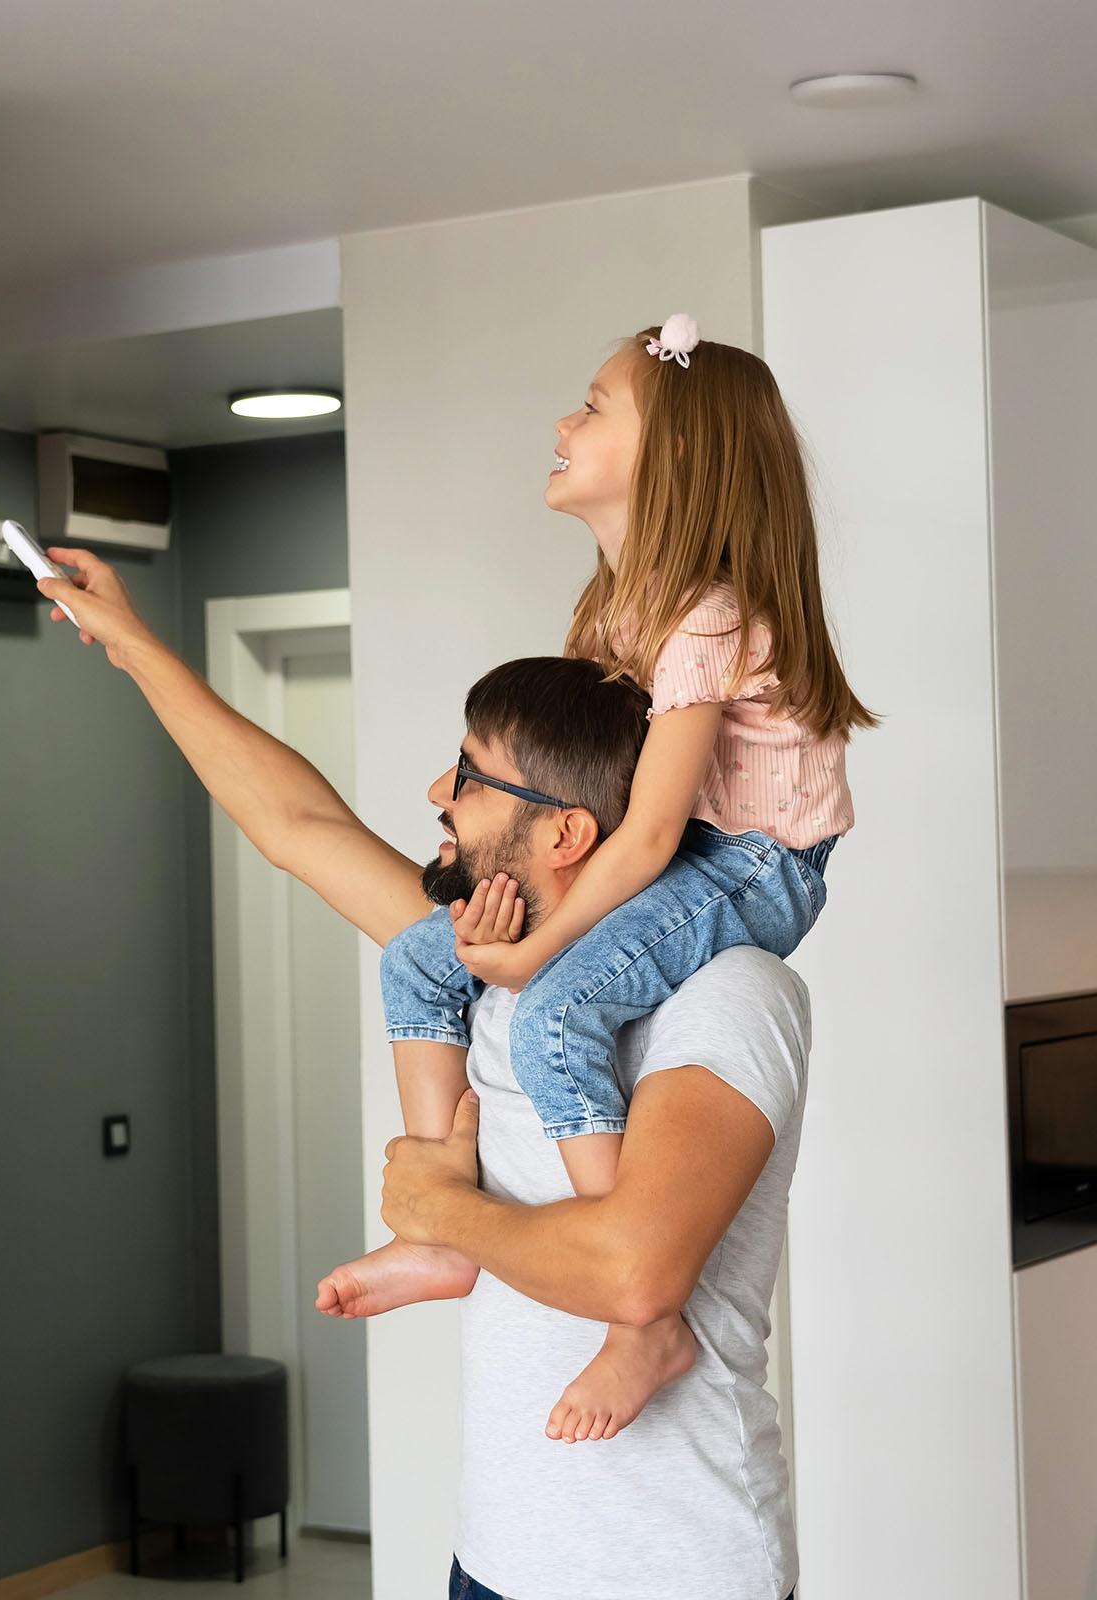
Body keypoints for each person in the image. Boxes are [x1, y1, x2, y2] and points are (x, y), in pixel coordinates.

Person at [32, 550, 806, 1599]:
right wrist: (131, 641)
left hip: (668, 1569)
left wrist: (443, 1211)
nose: (439, 793)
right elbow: (299, 828)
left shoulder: (730, 991)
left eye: (472, 778)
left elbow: (636, 1273)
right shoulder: (496, 963)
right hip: (494, 1558)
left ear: (569, 832)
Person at [314, 314, 872, 1446]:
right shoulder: (615, 608)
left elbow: (655, 829)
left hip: (757, 861)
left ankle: (641, 1314)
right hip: (679, 847)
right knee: (423, 956)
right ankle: (440, 1211)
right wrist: (497, 900)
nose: (564, 424)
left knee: (560, 1006)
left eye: (593, 406)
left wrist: (532, 950)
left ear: (670, 459)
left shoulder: (707, 615)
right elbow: (592, 803)